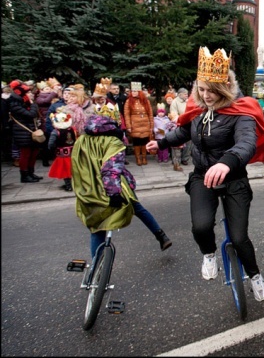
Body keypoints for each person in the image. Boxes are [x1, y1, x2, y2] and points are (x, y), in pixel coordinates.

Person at [146, 46, 264, 302]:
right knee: (201, 227)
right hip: (202, 176)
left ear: (225, 86)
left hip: (233, 178)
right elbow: (183, 132)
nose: (206, 95)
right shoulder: (197, 109)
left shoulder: (241, 111)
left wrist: (226, 163)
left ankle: (255, 274)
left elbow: (246, 143)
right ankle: (209, 254)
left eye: (212, 90)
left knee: (239, 238)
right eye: (201, 90)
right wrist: (160, 143)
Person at [72, 108, 172, 259]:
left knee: (97, 227)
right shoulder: (113, 141)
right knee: (136, 207)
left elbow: (76, 165)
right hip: (114, 186)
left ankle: (96, 269)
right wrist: (113, 192)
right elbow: (111, 168)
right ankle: (160, 235)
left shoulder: (81, 139)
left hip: (89, 188)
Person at [8, 80, 43, 183]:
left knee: (33, 152)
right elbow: (31, 114)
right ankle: (24, 175)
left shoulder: (26, 102)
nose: (30, 94)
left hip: (30, 131)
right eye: (28, 93)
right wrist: (33, 104)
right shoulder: (15, 104)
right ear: (22, 94)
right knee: (25, 153)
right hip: (22, 132)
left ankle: (31, 173)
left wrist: (32, 104)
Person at [124, 82, 154, 166]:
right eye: (132, 91)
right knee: (136, 142)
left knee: (144, 141)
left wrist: (151, 125)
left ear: (139, 92)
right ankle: (138, 158)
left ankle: (144, 157)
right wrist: (129, 126)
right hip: (135, 125)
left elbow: (150, 113)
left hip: (145, 124)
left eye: (135, 91)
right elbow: (126, 114)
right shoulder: (128, 101)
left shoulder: (145, 101)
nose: (133, 92)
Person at [47, 110, 78, 191]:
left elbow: (51, 144)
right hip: (73, 153)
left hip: (62, 154)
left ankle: (69, 185)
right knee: (74, 169)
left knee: (65, 171)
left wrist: (52, 149)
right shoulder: (72, 129)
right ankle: (75, 184)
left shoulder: (56, 132)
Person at [170, 87, 192, 167]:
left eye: (187, 94)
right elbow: (174, 114)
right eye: (185, 94)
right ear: (180, 94)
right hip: (179, 125)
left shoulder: (188, 101)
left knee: (188, 143)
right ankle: (176, 160)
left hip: (189, 124)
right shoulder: (174, 102)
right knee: (177, 143)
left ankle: (185, 159)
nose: (187, 95)